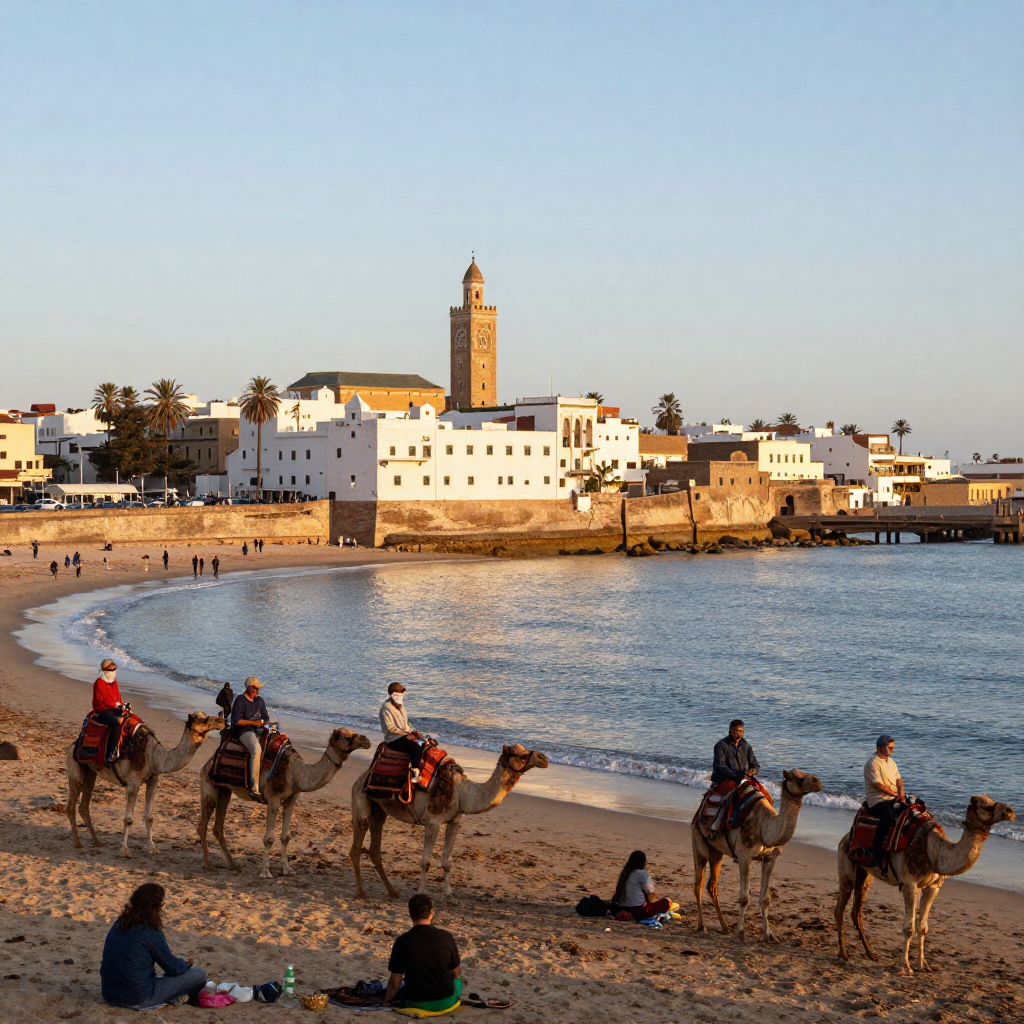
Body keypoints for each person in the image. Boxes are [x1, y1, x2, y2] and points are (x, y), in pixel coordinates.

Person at [101, 882, 207, 1008]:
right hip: (139, 997)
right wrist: (184, 965)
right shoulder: (149, 931)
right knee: (199, 975)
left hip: (109, 994)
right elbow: (172, 967)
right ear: (159, 906)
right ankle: (182, 997)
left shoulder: (120, 923)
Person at [384, 894, 462, 1012]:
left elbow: (395, 983)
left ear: (411, 916)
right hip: (446, 1002)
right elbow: (456, 972)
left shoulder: (402, 940)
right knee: (457, 980)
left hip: (415, 1003)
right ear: (431, 913)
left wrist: (386, 1002)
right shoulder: (446, 936)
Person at [865, 734, 905, 865]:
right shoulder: (872, 763)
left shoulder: (891, 762)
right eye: (890, 748)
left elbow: (899, 780)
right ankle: (876, 851)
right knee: (888, 817)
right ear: (881, 748)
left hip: (894, 796)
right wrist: (895, 795)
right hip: (878, 799)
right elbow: (878, 785)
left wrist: (902, 794)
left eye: (893, 748)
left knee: (914, 810)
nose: (892, 750)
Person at [231, 676, 269, 798]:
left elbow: (266, 717)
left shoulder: (259, 701)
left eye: (258, 689)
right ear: (248, 688)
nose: (256, 691)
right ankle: (254, 787)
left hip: (259, 729)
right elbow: (236, 721)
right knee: (256, 750)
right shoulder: (240, 700)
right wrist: (254, 723)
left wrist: (263, 722)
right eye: (254, 689)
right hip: (244, 731)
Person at [380, 683, 425, 782]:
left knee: (426, 742)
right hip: (393, 740)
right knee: (415, 747)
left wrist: (414, 731)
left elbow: (406, 723)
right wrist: (407, 736)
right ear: (391, 694)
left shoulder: (401, 707)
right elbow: (390, 729)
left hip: (404, 736)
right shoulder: (386, 707)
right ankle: (415, 772)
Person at [612, 850, 674, 920]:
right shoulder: (642, 874)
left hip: (621, 907)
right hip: (637, 910)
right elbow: (650, 891)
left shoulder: (624, 873)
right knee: (665, 902)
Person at [92, 659, 126, 763]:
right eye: (111, 671)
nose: (113, 673)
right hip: (102, 711)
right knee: (115, 724)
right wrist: (115, 705)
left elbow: (118, 698)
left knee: (130, 720)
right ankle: (109, 755)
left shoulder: (114, 683)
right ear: (105, 672)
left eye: (114, 671)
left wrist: (122, 705)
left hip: (114, 709)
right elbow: (103, 701)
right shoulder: (99, 683)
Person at [711, 719, 760, 787]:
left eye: (742, 731)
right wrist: (736, 775)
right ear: (731, 730)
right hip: (723, 780)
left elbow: (755, 765)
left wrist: (752, 771)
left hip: (742, 779)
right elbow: (720, 766)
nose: (740, 732)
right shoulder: (720, 745)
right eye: (737, 730)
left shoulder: (746, 746)